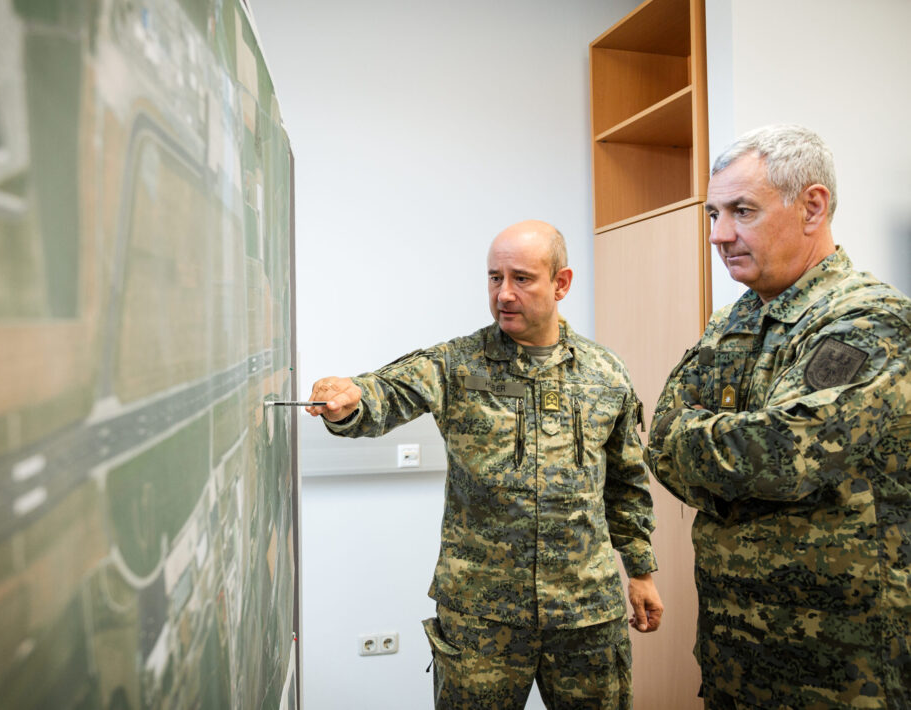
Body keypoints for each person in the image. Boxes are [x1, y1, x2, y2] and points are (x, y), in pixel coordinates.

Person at [306, 220, 663, 709]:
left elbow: (625, 483)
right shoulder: (458, 364)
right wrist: (348, 400)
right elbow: (383, 392)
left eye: (522, 278)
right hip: (482, 616)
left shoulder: (606, 374)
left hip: (584, 614)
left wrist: (640, 571)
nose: (505, 294)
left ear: (561, 283)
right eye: (495, 278)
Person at [645, 124, 911, 708]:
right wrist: (719, 451)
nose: (719, 235)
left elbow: (784, 455)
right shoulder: (735, 320)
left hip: (841, 667)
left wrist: (702, 446)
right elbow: (657, 438)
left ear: (812, 207)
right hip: (736, 654)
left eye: (742, 211)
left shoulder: (869, 320)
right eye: (713, 214)